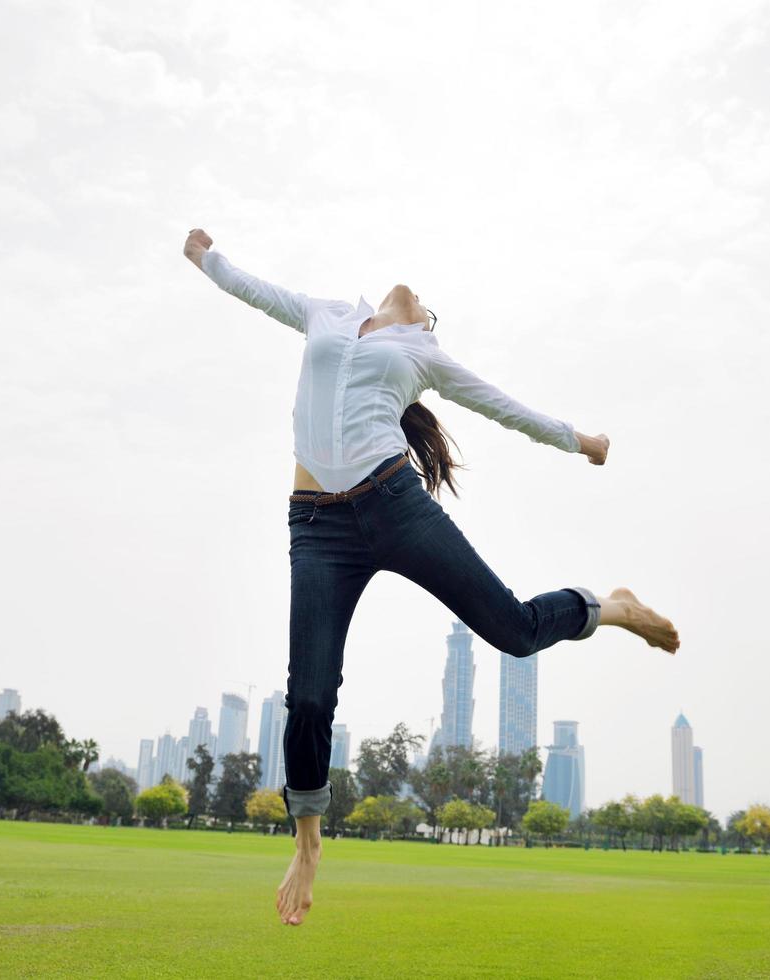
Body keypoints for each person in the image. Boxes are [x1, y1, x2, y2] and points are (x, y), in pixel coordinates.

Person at [184, 229, 682, 926]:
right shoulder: (325, 312)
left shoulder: (423, 354)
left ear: (423, 327)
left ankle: (609, 608)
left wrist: (580, 440)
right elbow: (257, 294)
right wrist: (209, 259)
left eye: (429, 311)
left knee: (510, 628)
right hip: (316, 529)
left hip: (393, 505)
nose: (419, 301)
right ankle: (307, 842)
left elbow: (503, 405)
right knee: (309, 697)